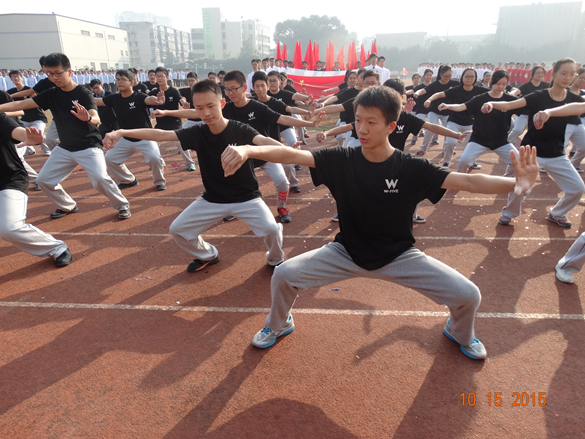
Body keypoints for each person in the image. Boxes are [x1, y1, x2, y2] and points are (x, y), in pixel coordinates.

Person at [220, 85, 539, 359]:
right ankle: (279, 324)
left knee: (469, 296)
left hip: (399, 255)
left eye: (371, 122)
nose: (362, 128)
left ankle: (460, 332)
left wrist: (514, 184)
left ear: (391, 126)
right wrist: (248, 148)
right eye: (358, 120)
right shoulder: (342, 160)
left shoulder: (411, 167)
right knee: (285, 275)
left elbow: (466, 182)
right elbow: (293, 156)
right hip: (346, 253)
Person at [104, 80, 286, 272]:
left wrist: (288, 150)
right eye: (199, 108)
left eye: (211, 106)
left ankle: (275, 259)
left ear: (222, 104)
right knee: (178, 229)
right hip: (213, 199)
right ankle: (208, 254)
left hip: (246, 198)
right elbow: (160, 134)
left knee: (272, 230)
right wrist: (121, 132)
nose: (206, 113)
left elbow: (263, 140)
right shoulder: (198, 132)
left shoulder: (240, 129)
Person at [153, 70, 323, 223]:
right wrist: (167, 112)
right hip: (237, 157)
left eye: (234, 88)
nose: (231, 93)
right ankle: (231, 207)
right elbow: (193, 112)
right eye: (227, 89)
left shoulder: (257, 106)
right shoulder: (224, 108)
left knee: (282, 182)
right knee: (228, 182)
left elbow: (283, 118)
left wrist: (309, 123)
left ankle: (281, 207)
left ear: (244, 88)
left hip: (261, 152)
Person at [0, 53, 131, 219]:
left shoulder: (83, 93)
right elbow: (21, 104)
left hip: (88, 146)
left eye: (57, 73)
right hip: (65, 147)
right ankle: (67, 205)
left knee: (99, 178)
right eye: (49, 73)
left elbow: (95, 117)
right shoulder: (52, 94)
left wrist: (88, 118)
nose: (54, 77)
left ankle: (122, 205)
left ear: (69, 71)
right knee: (44, 180)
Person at [482, 58, 585, 227]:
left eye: (572, 74)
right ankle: (509, 212)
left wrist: (549, 112)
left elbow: (573, 108)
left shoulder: (575, 99)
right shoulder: (539, 95)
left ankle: (557, 213)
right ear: (554, 73)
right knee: (519, 188)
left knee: (577, 188)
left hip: (556, 153)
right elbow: (511, 105)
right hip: (530, 152)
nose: (568, 77)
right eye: (564, 73)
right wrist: (490, 103)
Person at [0, 113, 72, 267]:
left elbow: (18, 132)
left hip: (8, 180)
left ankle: (56, 247)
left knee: (9, 227)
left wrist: (30, 137)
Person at [93, 69, 167, 191]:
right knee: (109, 158)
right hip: (126, 139)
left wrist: (157, 101)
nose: (119, 82)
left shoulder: (139, 97)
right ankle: (128, 180)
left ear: (132, 82)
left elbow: (149, 99)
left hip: (145, 137)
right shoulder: (114, 98)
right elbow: (98, 101)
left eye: (122, 79)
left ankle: (159, 181)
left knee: (154, 157)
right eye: (117, 79)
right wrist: (81, 98)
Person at [438, 70, 520, 178]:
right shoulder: (480, 98)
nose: (501, 86)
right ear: (491, 82)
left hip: (500, 140)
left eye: (504, 84)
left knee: (518, 161)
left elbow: (525, 105)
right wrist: (448, 106)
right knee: (463, 161)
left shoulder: (510, 100)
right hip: (479, 139)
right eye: (498, 83)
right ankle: (459, 180)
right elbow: (463, 106)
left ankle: (508, 180)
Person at [423, 68, 486, 168]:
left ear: (475, 78)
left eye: (472, 76)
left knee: (475, 143)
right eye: (467, 76)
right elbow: (439, 94)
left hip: (470, 123)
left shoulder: (480, 91)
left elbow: (495, 93)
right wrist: (429, 99)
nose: (469, 79)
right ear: (462, 78)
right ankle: (446, 162)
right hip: (454, 122)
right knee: (450, 142)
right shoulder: (456, 90)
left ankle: (472, 162)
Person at [413, 65, 460, 156]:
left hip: (447, 112)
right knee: (430, 127)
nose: (447, 78)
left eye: (449, 76)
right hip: (434, 111)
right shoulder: (435, 85)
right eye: (445, 76)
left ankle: (447, 149)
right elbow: (424, 90)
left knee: (449, 130)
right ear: (440, 74)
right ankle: (423, 148)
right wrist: (417, 93)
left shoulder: (454, 84)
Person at [7, 70, 51, 155]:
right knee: (18, 133)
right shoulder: (10, 92)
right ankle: (29, 149)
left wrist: (35, 97)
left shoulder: (30, 90)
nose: (16, 78)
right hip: (25, 119)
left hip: (38, 118)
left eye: (17, 76)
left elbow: (42, 103)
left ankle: (47, 150)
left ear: (21, 77)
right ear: (11, 79)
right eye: (13, 76)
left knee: (39, 133)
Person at [507, 66, 549, 146]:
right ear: (532, 74)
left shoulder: (546, 85)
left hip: (538, 115)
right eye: (537, 73)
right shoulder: (526, 86)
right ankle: (506, 143)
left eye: (541, 73)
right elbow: (517, 91)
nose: (540, 75)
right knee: (518, 130)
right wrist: (512, 94)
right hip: (524, 113)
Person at [178, 72, 201, 171]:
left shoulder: (202, 91)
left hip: (203, 120)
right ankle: (190, 163)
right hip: (190, 121)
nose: (190, 82)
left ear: (197, 81)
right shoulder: (186, 91)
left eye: (192, 80)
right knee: (180, 139)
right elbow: (175, 93)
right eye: (189, 81)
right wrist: (182, 102)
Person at [564, 68, 585, 171]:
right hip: (564, 123)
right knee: (560, 147)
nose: (582, 81)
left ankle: (573, 164)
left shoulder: (583, 93)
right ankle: (542, 164)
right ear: (575, 77)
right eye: (581, 77)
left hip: (577, 123)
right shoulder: (565, 91)